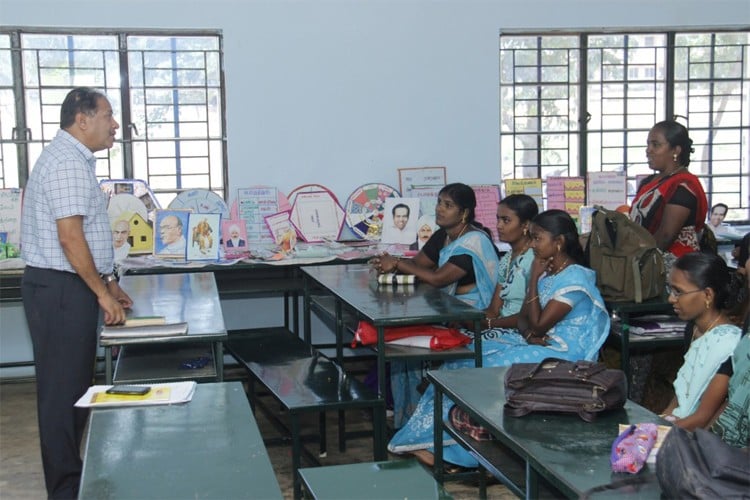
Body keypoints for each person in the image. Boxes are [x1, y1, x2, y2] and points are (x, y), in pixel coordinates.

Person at [388, 209, 611, 468]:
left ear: (558, 242)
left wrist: (532, 284)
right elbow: (526, 320)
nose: (533, 245)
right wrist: (530, 333)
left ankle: (464, 455)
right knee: (461, 360)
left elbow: (537, 324)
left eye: (537, 239)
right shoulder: (550, 272)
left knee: (481, 369)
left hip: (566, 353)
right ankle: (438, 440)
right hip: (539, 344)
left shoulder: (575, 277)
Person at [20, 87, 133, 499]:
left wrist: (109, 281)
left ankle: (71, 481)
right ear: (81, 120)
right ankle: (65, 491)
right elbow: (70, 239)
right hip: (61, 290)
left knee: (72, 392)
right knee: (62, 398)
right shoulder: (67, 162)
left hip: (68, 287)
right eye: (108, 115)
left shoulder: (74, 160)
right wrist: (99, 293)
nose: (115, 125)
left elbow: (87, 233)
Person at [371, 183, 501, 427]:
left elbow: (439, 278)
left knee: (408, 341)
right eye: (439, 202)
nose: (440, 209)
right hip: (445, 307)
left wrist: (397, 263)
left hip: (471, 314)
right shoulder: (444, 234)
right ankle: (405, 415)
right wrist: (390, 265)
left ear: (464, 213)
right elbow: (421, 265)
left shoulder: (472, 243)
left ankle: (419, 416)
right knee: (398, 342)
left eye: (448, 205)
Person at [659, 252, 742, 430]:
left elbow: (702, 418)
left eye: (678, 292)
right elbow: (681, 395)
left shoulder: (730, 345)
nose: (671, 298)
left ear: (707, 295)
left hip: (700, 437)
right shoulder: (693, 329)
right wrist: (660, 421)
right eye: (670, 290)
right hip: (680, 425)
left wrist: (658, 434)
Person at [630, 120, 708, 268]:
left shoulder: (684, 186)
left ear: (675, 151)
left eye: (656, 145)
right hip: (642, 257)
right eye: (648, 144)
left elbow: (666, 236)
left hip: (673, 266)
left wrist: (640, 264)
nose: (648, 150)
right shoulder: (649, 182)